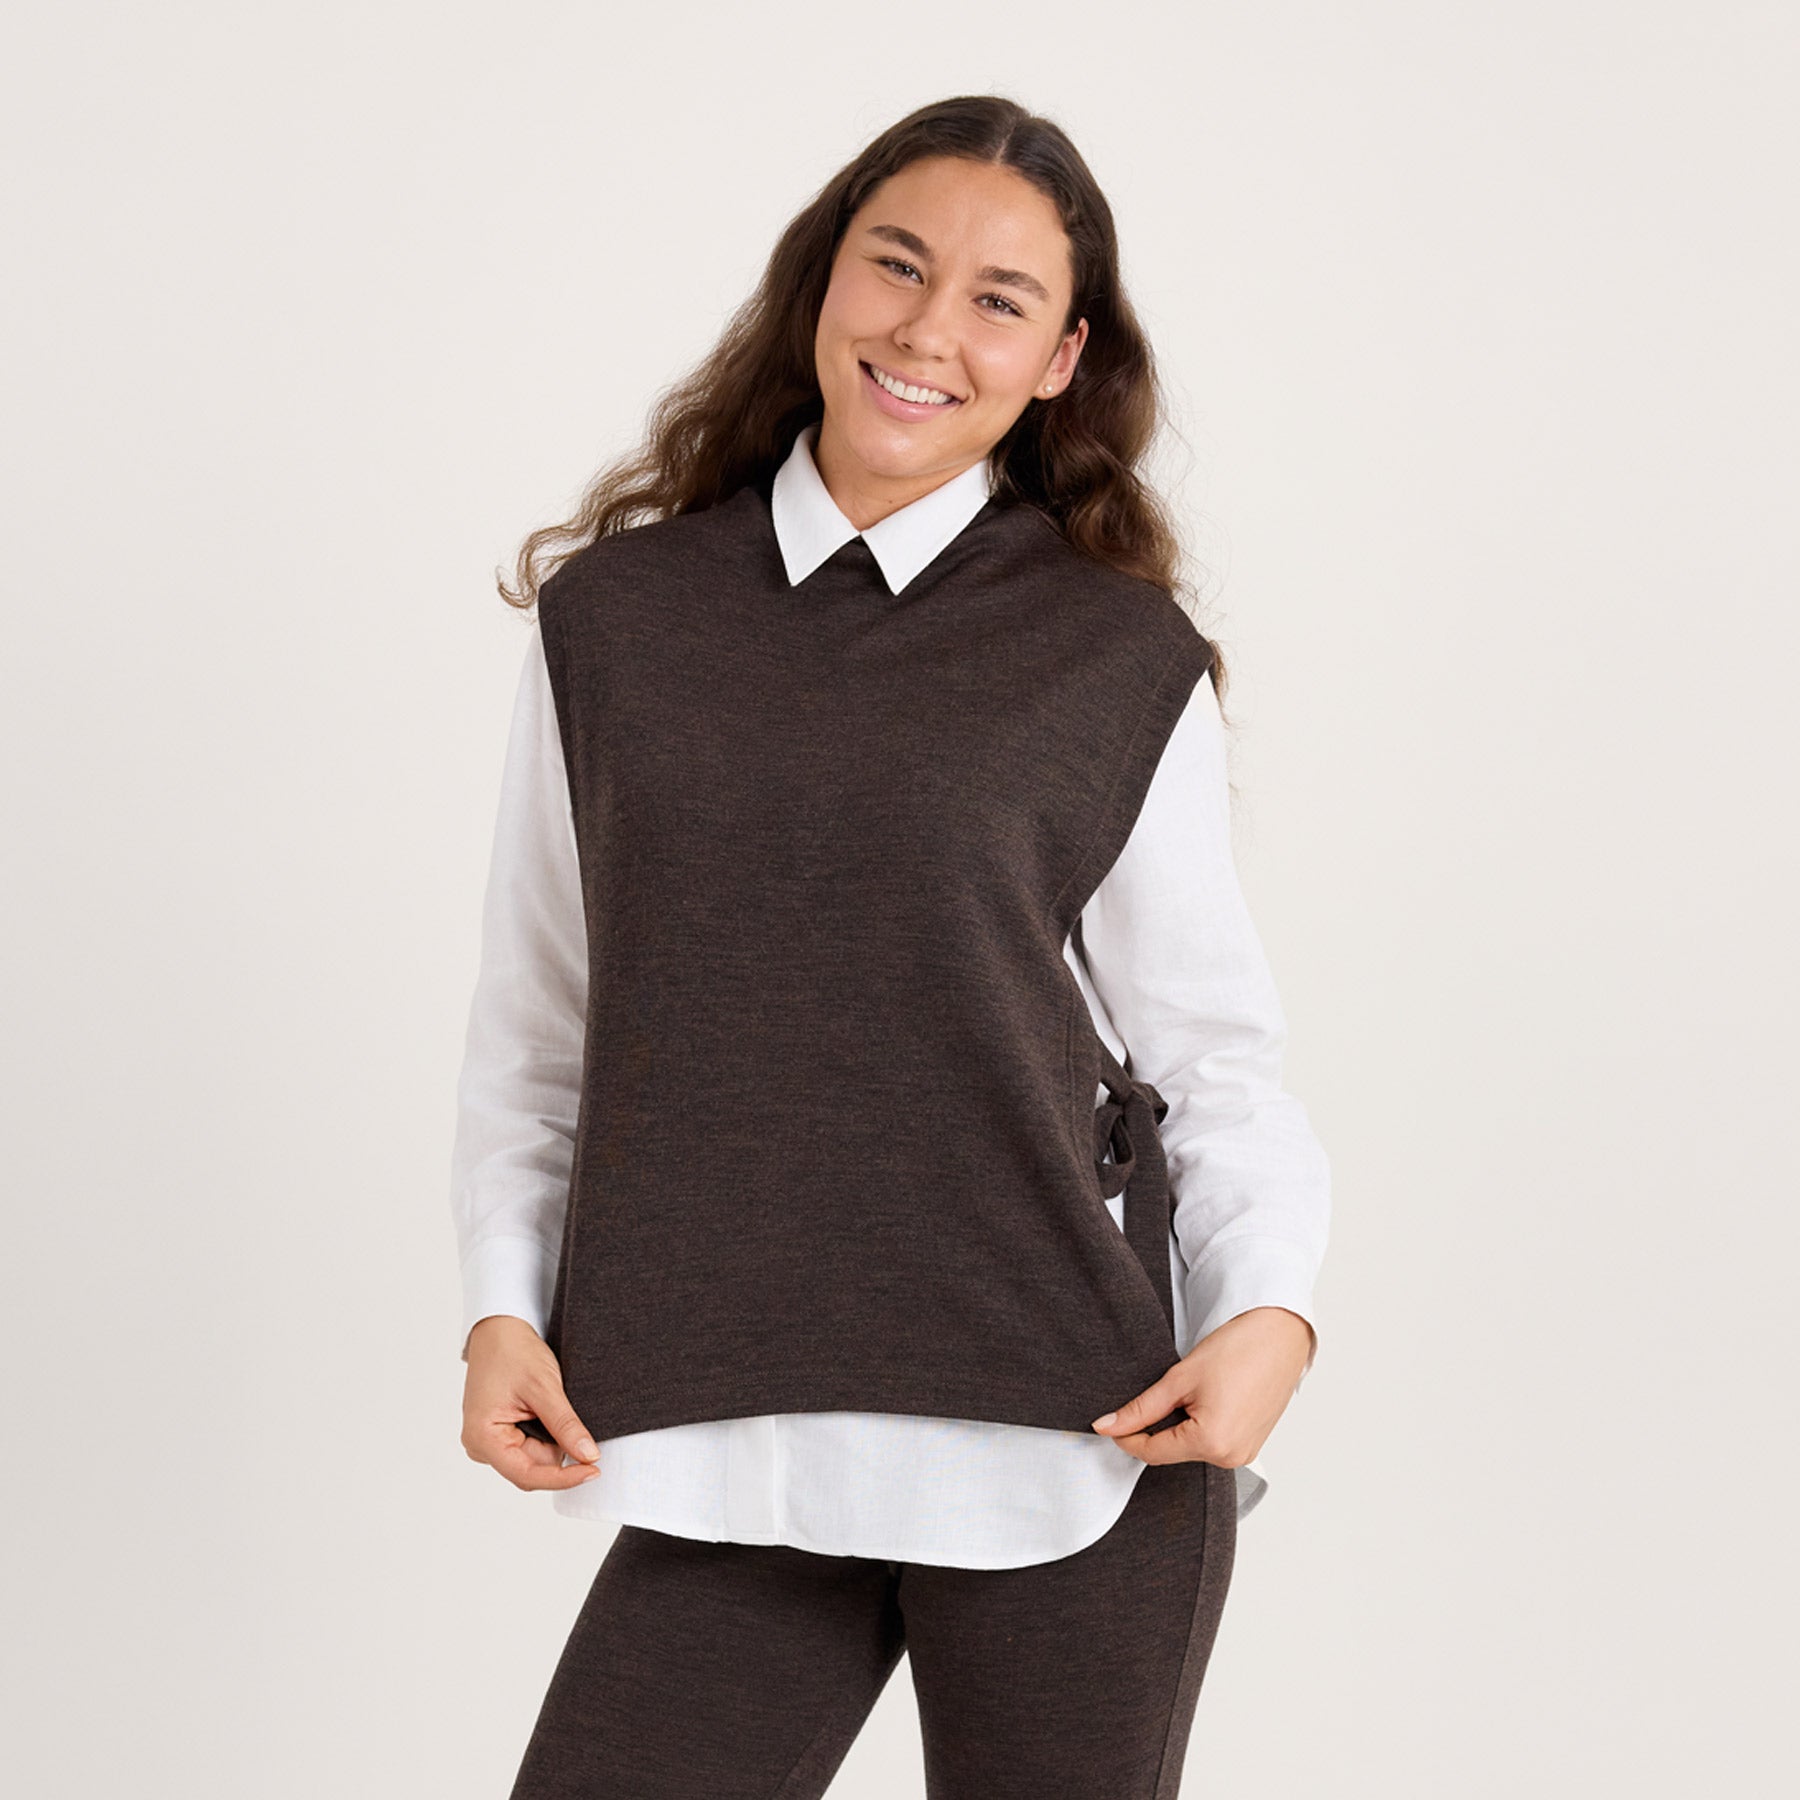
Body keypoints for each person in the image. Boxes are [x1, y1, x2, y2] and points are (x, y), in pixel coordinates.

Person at [449, 94, 1330, 1800]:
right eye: (898, 266)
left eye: (1000, 300)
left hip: (1077, 1431)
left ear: (1060, 361)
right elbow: (543, 1028)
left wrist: (1271, 1315)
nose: (930, 332)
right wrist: (501, 1304)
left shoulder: (1112, 654)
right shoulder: (617, 627)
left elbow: (1211, 1055)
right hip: (724, 1429)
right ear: (822, 284)